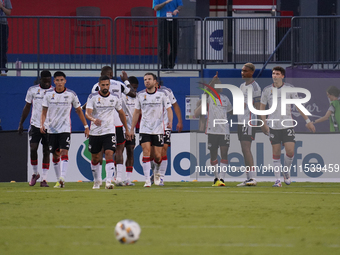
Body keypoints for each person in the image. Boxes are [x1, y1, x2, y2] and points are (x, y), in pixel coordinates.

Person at [260, 66, 316, 187]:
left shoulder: (289, 88)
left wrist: (308, 121)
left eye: (277, 74)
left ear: (282, 76)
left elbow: (298, 106)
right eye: (273, 73)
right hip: (273, 126)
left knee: (290, 151)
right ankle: (277, 180)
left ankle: (286, 171)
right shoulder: (266, 90)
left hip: (287, 125)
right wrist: (263, 123)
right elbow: (262, 107)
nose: (274, 75)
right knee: (276, 152)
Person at [87, 66, 136, 186]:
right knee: (117, 151)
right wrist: (126, 80)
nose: (104, 86)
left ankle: (108, 181)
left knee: (107, 153)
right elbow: (133, 93)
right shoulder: (119, 84)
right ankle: (116, 178)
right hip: (114, 125)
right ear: (111, 73)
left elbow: (91, 107)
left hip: (110, 126)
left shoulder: (95, 86)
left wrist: (90, 123)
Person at [40, 71, 89, 188]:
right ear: (54, 81)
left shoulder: (71, 94)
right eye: (57, 80)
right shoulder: (48, 94)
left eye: (62, 80)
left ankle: (63, 177)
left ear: (65, 81)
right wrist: (42, 124)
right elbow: (44, 111)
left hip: (65, 128)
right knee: (55, 155)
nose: (59, 82)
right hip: (51, 129)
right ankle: (59, 181)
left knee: (64, 151)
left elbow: (78, 110)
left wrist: (86, 126)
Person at [130, 73, 173, 187]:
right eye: (145, 80)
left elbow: (169, 109)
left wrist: (170, 121)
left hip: (158, 129)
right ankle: (147, 181)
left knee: (158, 156)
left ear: (155, 81)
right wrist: (132, 128)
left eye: (149, 79)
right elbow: (136, 112)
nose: (147, 81)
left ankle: (157, 173)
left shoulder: (162, 95)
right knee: (146, 152)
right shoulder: (140, 95)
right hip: (145, 129)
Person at [195, 72, 233, 186]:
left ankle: (222, 178)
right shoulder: (208, 98)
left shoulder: (225, 99)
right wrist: (212, 81)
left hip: (224, 130)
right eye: (219, 84)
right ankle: (216, 177)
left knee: (224, 153)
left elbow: (230, 111)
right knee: (213, 155)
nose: (221, 86)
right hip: (212, 130)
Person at [18, 70, 53, 187]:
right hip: (35, 125)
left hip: (49, 126)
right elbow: (27, 107)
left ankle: (44, 179)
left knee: (46, 151)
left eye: (49, 81)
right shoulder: (32, 90)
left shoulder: (54, 92)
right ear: (41, 79)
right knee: (33, 148)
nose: (47, 83)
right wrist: (21, 123)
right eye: (45, 81)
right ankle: (34, 173)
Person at [151, 78, 183, 186]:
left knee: (164, 149)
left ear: (156, 82)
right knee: (154, 154)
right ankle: (155, 172)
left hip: (165, 125)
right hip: (152, 127)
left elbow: (175, 106)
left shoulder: (167, 91)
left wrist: (179, 121)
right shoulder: (146, 93)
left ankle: (161, 178)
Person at [237, 63, 261, 187]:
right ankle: (248, 178)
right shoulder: (242, 86)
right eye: (242, 71)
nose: (242, 73)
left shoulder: (255, 87)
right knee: (243, 149)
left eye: (245, 71)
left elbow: (258, 106)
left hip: (249, 121)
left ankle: (252, 178)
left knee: (246, 149)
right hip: (241, 121)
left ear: (251, 72)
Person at [153, 0, 183, 72]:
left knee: (175, 44)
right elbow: (156, 8)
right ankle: (164, 65)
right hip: (162, 20)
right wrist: (166, 2)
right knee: (163, 44)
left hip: (174, 20)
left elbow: (180, 5)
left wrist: (177, 10)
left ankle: (171, 64)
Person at [121, 76, 139, 185]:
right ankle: (116, 177)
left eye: (136, 88)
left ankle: (128, 179)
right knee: (119, 152)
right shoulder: (122, 96)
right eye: (133, 88)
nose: (135, 90)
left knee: (130, 152)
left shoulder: (138, 97)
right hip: (121, 129)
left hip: (132, 130)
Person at [0, 0, 12, 76]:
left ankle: (2, 68)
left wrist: (1, 7)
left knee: (3, 47)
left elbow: (9, 12)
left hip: (3, 25)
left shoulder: (6, 0)